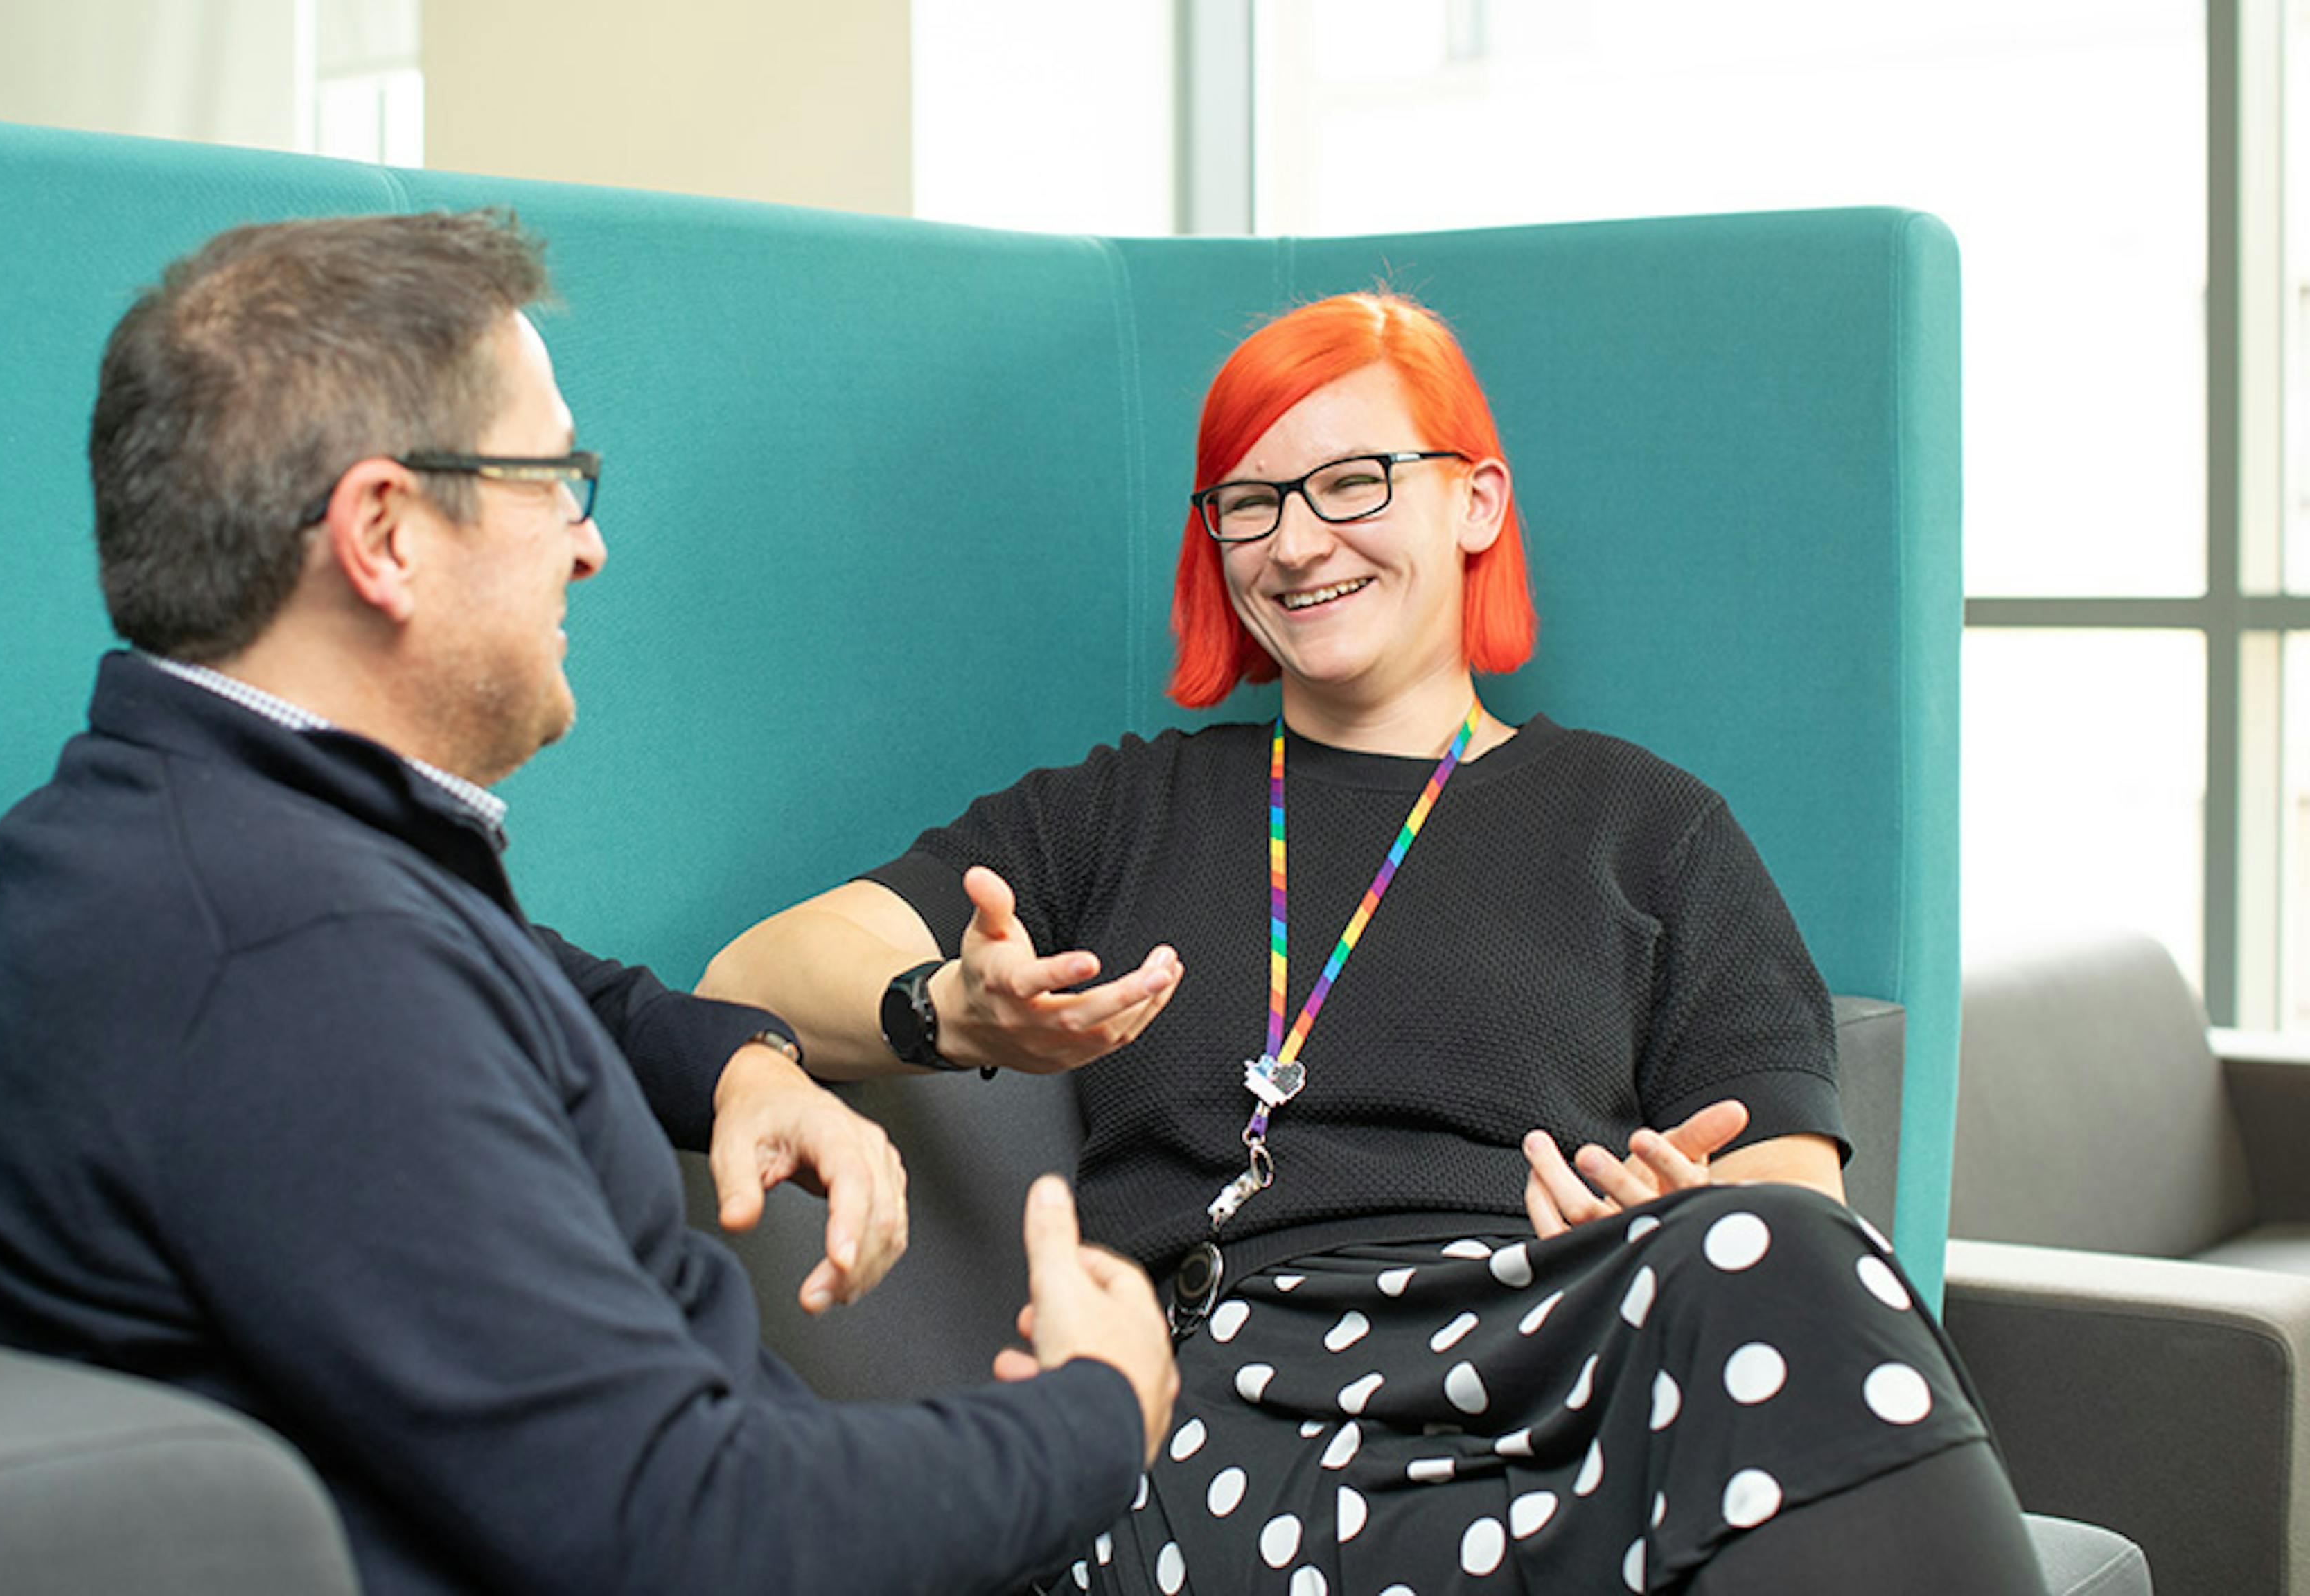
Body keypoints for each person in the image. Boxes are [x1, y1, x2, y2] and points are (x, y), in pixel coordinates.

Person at [700, 290, 2048, 1595]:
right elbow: (750, 973)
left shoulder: (1650, 829)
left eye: (1354, 481)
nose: (1295, 543)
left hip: (1550, 1378)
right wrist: (942, 1004)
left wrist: (1671, 1226)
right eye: (1251, 500)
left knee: (1777, 1266)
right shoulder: (1127, 807)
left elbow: (1792, 1215)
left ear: (1476, 502)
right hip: (1218, 1402)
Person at [0, 209, 1178, 1596]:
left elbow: (517, 975)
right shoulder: (302, 964)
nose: (587, 547)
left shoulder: (183, 827)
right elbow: (700, 1540)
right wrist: (1095, 1410)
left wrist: (743, 1068)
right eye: (554, 480)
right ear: (386, 533)